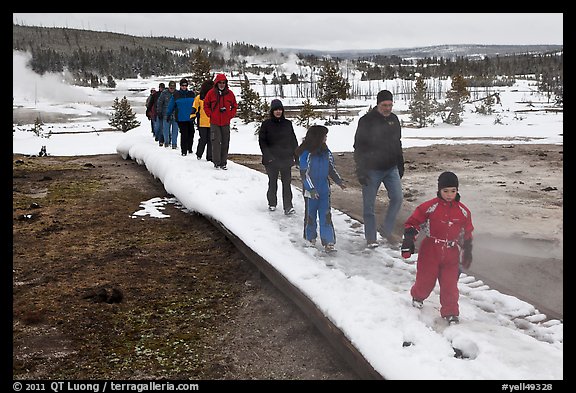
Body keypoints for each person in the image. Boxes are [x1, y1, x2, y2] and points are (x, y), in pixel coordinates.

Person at [401, 171, 474, 325]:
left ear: (457, 191)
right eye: (445, 191)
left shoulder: (463, 212)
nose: (449, 195)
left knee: (450, 285)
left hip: (451, 252)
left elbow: (467, 232)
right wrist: (408, 240)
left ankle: (451, 311)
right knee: (426, 280)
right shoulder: (430, 207)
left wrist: (467, 251)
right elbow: (413, 222)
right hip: (431, 250)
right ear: (439, 190)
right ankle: (418, 296)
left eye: (453, 191)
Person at [353, 89, 405, 248]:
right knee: (369, 205)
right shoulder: (366, 121)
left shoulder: (394, 119)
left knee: (397, 198)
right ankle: (371, 238)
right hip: (371, 169)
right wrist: (361, 170)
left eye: (390, 104)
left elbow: (398, 143)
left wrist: (400, 163)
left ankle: (387, 229)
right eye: (384, 105)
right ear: (378, 104)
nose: (388, 108)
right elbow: (358, 146)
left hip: (391, 168)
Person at [295, 125, 346, 253]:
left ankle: (328, 241)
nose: (326, 138)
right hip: (310, 190)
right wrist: (311, 189)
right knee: (310, 215)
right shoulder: (306, 153)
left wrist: (339, 181)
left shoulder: (326, 152)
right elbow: (304, 174)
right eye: (324, 136)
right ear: (317, 137)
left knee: (326, 214)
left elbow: (331, 168)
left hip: (324, 188)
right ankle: (310, 238)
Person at [258, 99, 299, 215]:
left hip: (286, 158)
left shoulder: (287, 124)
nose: (278, 112)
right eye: (276, 109)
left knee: (287, 183)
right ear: (272, 111)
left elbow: (293, 141)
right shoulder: (266, 124)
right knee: (272, 182)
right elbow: (262, 142)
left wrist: (296, 156)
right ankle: (272, 203)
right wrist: (268, 155)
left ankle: (288, 206)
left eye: (280, 109)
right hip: (271, 159)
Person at [203, 73, 238, 170]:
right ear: (216, 83)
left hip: (225, 122)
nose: (222, 84)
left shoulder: (230, 94)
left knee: (225, 142)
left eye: (223, 83)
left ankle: (223, 163)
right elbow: (205, 105)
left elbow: (235, 105)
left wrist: (230, 115)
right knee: (216, 142)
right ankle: (216, 162)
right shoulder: (211, 93)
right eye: (220, 83)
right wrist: (210, 114)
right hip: (215, 122)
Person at [166, 78, 196, 156]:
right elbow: (171, 106)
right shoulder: (176, 95)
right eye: (182, 85)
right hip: (181, 118)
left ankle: (189, 148)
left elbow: (196, 104)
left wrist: (197, 113)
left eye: (185, 85)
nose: (184, 87)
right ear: (180, 86)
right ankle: (184, 151)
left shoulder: (191, 94)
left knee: (191, 133)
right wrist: (168, 114)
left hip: (190, 117)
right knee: (184, 134)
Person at [190, 80, 214, 161]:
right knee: (203, 139)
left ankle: (209, 157)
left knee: (210, 140)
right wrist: (192, 116)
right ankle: (199, 154)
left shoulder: (214, 98)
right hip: (202, 123)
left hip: (212, 122)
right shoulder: (199, 98)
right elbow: (194, 108)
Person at [156, 80, 179, 149]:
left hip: (175, 115)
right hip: (165, 115)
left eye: (173, 88)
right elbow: (159, 103)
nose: (172, 89)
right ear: (168, 87)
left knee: (175, 130)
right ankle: (166, 143)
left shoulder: (177, 93)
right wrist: (159, 112)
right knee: (166, 130)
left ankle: (174, 144)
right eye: (171, 88)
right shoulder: (164, 93)